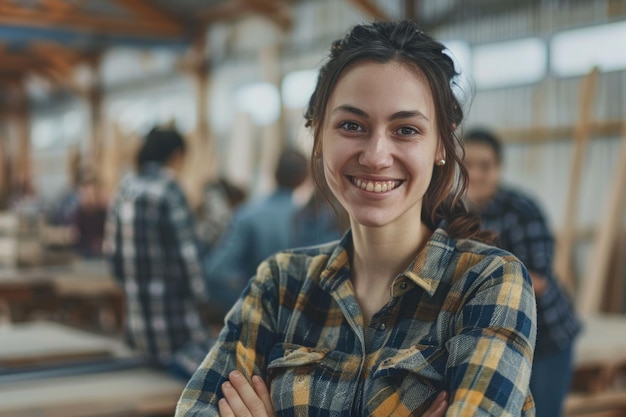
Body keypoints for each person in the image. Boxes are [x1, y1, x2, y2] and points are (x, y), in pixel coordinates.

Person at [176, 21, 536, 417]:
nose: (377, 155)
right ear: (318, 136)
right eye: (352, 125)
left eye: (406, 129)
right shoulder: (279, 285)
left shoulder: (488, 283)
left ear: (441, 145)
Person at [463, 128, 581, 417]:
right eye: (467, 165)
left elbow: (538, 280)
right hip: (490, 340)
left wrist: (475, 280)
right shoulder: (449, 212)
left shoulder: (522, 210)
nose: (476, 174)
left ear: (499, 169)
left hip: (545, 337)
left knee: (543, 412)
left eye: (485, 166)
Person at [103, 127, 212, 379]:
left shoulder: (125, 189)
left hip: (138, 330)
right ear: (176, 155)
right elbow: (189, 259)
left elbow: (111, 255)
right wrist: (204, 298)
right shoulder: (169, 191)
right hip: (177, 329)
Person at [203, 148, 308, 318]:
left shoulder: (247, 214)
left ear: (273, 173)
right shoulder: (307, 222)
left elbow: (216, 269)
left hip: (252, 316)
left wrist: (250, 284)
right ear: (304, 179)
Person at [71, 176, 107, 258]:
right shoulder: (77, 216)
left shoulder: (103, 214)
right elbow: (74, 238)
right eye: (85, 194)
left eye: (91, 194)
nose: (89, 197)